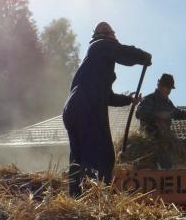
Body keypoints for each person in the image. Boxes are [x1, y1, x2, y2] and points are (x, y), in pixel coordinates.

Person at [62, 22, 151, 196]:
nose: (115, 38)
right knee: (102, 154)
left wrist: (129, 99)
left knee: (78, 158)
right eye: (114, 34)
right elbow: (125, 53)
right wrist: (144, 56)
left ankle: (75, 198)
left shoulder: (95, 62)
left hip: (73, 107)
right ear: (108, 34)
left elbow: (108, 97)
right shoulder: (101, 45)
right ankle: (94, 200)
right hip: (87, 106)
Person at [135, 73, 186, 169]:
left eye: (170, 88)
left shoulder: (168, 104)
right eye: (167, 87)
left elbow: (178, 113)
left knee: (166, 168)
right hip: (149, 141)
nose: (169, 91)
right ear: (159, 85)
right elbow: (139, 113)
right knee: (150, 168)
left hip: (164, 142)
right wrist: (157, 115)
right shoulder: (149, 99)